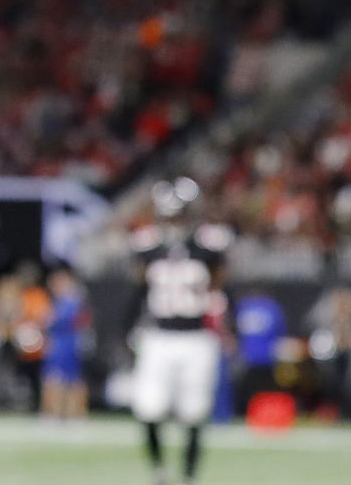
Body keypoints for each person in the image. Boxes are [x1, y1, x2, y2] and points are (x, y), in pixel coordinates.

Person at [129, 178, 228, 485]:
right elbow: (138, 288)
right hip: (159, 336)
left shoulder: (209, 246)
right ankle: (159, 472)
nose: (174, 221)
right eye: (170, 215)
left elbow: (221, 284)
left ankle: (188, 476)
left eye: (179, 214)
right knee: (149, 406)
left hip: (197, 337)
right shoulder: (148, 246)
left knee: (195, 412)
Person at [40, 266, 91, 419]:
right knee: (55, 379)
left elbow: (58, 320)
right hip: (60, 342)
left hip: (67, 344)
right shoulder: (59, 301)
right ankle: (55, 412)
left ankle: (75, 413)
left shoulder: (71, 301)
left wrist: (49, 319)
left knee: (71, 381)